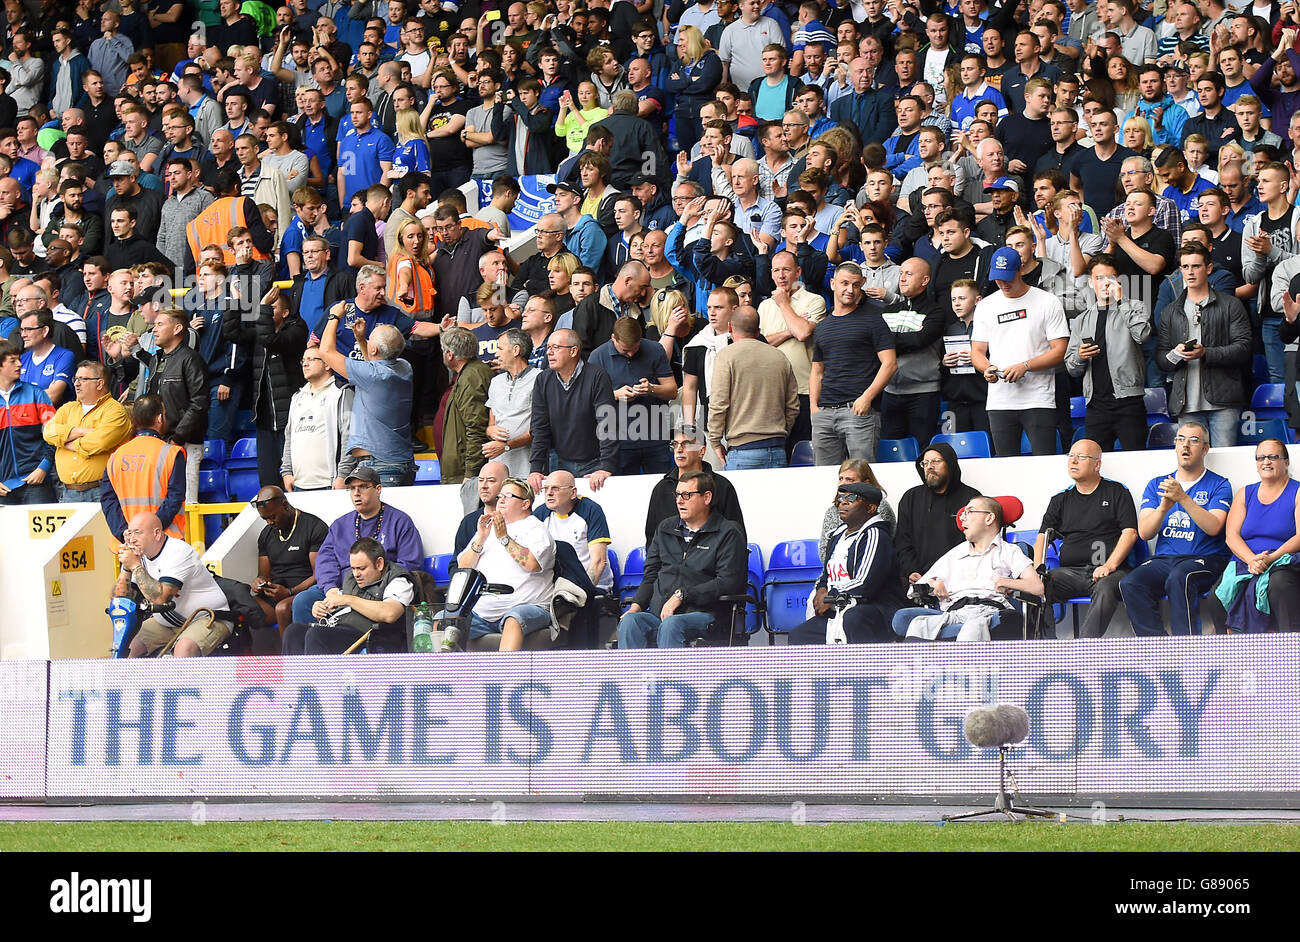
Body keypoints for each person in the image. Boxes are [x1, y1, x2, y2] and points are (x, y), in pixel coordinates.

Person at [1119, 421, 1232, 637]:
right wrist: (1163, 507)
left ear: (1205, 449)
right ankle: (1159, 649)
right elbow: (1144, 533)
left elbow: (1214, 527)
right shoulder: (1157, 484)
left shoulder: (1219, 484)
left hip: (1206, 557)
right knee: (1130, 583)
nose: (1185, 445)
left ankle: (1187, 650)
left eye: (1194, 440)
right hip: (1165, 559)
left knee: (1181, 577)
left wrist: (1183, 498)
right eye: (1180, 439)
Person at [617, 469, 747, 648]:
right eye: (677, 494)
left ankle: (669, 677)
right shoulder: (665, 528)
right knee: (631, 622)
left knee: (672, 625)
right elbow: (651, 575)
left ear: (707, 497)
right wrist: (636, 606)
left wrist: (682, 595)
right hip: (661, 614)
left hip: (706, 614)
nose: (679, 500)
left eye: (687, 495)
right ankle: (633, 677)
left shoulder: (727, 533)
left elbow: (728, 582)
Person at [891, 495, 1045, 641]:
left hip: (988, 611)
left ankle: (966, 668)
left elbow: (1037, 587)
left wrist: (1006, 582)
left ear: (989, 518)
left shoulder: (1009, 551)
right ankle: (914, 669)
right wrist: (932, 585)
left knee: (972, 628)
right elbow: (913, 591)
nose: (961, 517)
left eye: (969, 512)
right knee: (919, 625)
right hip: (954, 612)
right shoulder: (954, 554)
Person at [1033, 439, 1140, 639]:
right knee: (1036, 587)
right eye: (1071, 456)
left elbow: (1130, 533)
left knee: (1105, 587)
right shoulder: (1060, 499)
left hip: (1110, 572)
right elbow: (1042, 536)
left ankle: (1084, 649)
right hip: (1070, 573)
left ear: (1097, 464)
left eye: (1081, 457)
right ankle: (1046, 648)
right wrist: (1038, 570)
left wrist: (1109, 565)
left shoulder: (1117, 491)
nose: (1073, 461)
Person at [289, 466, 424, 625]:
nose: (356, 493)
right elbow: (325, 561)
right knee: (303, 601)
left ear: (378, 489)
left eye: (363, 487)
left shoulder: (399, 522)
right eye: (352, 488)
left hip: (378, 589)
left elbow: (409, 564)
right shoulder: (340, 525)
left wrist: (374, 585)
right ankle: (312, 646)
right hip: (340, 588)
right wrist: (330, 588)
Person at [971, 246, 1069, 457]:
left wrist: (1026, 366)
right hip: (999, 400)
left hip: (1038, 397)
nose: (1003, 283)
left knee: (1044, 461)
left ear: (1021, 269)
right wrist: (987, 368)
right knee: (1005, 466)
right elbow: (977, 351)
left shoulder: (1047, 301)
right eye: (998, 278)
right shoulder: (986, 306)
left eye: (1008, 277)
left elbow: (1060, 350)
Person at [103, 307, 207, 503]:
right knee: (160, 502)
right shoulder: (160, 358)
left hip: (183, 444)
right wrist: (119, 357)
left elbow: (199, 404)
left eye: (160, 324)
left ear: (177, 329)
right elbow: (129, 374)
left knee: (185, 504)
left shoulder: (191, 359)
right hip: (160, 442)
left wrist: (177, 438)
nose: (154, 330)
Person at [445, 476, 558, 651]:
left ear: (525, 504)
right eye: (500, 496)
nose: (501, 500)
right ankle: (444, 676)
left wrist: (504, 537)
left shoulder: (536, 529)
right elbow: (463, 568)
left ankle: (505, 676)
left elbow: (531, 564)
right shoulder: (488, 529)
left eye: (508, 496)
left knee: (513, 619)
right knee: (442, 620)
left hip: (525, 607)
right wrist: (481, 538)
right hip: (482, 612)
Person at [1155, 244, 1252, 448]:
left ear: (1208, 268)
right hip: (1185, 403)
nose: (1190, 272)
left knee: (1226, 463)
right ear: (1180, 270)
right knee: (1192, 465)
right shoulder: (1169, 312)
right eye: (1185, 267)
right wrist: (1175, 354)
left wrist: (1206, 353)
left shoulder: (1231, 305)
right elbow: (1161, 359)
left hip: (1224, 402)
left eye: (1196, 266)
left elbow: (1244, 349)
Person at [789, 481, 906, 644]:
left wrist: (831, 596)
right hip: (839, 607)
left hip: (875, 610)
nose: (843, 502)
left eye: (852, 498)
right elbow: (827, 573)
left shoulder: (875, 535)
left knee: (853, 619)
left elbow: (865, 584)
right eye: (842, 497)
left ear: (870, 508)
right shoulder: (836, 535)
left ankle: (869, 668)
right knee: (799, 635)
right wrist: (821, 589)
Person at [317, 295, 415, 487]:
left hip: (380, 465)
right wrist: (362, 340)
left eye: (371, 338)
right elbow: (375, 364)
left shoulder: (373, 375)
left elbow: (325, 352)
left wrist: (334, 317)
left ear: (374, 350)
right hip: (397, 462)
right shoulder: (404, 367)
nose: (368, 338)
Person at [808, 262, 897, 464]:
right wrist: (814, 408)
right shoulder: (823, 326)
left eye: (856, 285)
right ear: (832, 283)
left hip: (859, 412)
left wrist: (866, 398)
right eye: (845, 283)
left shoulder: (873, 319)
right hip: (824, 413)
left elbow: (890, 364)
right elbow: (817, 371)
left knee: (862, 478)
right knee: (824, 478)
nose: (850, 290)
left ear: (862, 285)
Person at [1210, 438, 1300, 632]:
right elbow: (1231, 536)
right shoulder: (1245, 493)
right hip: (1247, 560)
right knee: (1216, 596)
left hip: (1285, 560)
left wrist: (1270, 558)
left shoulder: (1298, 491)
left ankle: (1291, 650)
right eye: (1261, 457)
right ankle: (1230, 655)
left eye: (1273, 457)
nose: (1266, 461)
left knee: (1279, 585)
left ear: (1286, 462)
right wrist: (1252, 560)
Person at [114, 512, 232, 658]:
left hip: (208, 616)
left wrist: (136, 566)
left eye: (138, 533)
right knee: (125, 645)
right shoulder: (136, 556)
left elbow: (161, 598)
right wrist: (126, 568)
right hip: (167, 623)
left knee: (184, 648)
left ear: (157, 534)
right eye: (129, 533)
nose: (132, 539)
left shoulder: (178, 551)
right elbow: (120, 601)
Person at [1064, 254, 1152, 452]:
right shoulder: (1081, 320)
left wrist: (1121, 301)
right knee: (1096, 463)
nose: (1105, 284)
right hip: (1096, 405)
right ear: (1090, 282)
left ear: (1119, 280)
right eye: (1099, 278)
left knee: (1136, 459)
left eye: (1110, 278)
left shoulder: (1135, 306)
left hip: (1129, 401)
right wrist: (1080, 355)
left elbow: (1142, 335)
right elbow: (1071, 367)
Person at [283, 537, 418, 655]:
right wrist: (321, 608)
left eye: (361, 568)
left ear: (379, 564)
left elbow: (390, 613)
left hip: (372, 636)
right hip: (340, 629)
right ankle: (296, 683)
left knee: (317, 635)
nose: (356, 574)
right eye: (353, 568)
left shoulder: (398, 580)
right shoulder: (352, 579)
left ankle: (322, 684)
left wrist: (348, 599)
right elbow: (338, 604)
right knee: (293, 632)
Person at [707, 306, 798, 470]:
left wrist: (715, 440)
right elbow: (793, 406)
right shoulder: (780, 357)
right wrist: (780, 431)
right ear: (758, 332)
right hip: (777, 450)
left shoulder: (726, 356)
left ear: (729, 327)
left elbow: (718, 404)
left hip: (742, 451)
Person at [527, 329, 618, 492]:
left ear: (573, 351)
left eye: (555, 347)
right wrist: (535, 469)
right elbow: (539, 427)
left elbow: (608, 424)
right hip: (559, 461)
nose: (549, 352)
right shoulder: (543, 379)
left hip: (595, 463)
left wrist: (606, 466)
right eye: (548, 347)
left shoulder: (597, 376)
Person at [589, 316, 677, 475]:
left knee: (662, 488)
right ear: (613, 338)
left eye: (635, 348)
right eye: (624, 349)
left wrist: (651, 389)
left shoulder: (655, 349)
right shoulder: (598, 356)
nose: (630, 354)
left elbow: (672, 390)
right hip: (618, 441)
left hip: (655, 438)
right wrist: (615, 395)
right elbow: (588, 399)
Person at [42, 359, 132, 504]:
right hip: (68, 493)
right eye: (75, 379)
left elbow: (99, 442)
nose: (76, 383)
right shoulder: (67, 408)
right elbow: (48, 432)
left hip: (102, 492)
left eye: (83, 379)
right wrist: (80, 431)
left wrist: (65, 442)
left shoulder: (115, 410)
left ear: (100, 383)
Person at [252, 486, 329, 635]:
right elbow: (264, 574)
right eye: (265, 518)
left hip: (303, 591)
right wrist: (259, 582)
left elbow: (319, 574)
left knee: (282, 608)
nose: (270, 522)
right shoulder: (266, 534)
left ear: (285, 505)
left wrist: (289, 592)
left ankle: (289, 656)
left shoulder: (314, 527)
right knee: (243, 605)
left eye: (273, 516)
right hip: (275, 593)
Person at [282, 344, 353, 492]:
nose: (305, 364)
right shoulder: (297, 397)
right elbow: (289, 437)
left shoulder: (341, 393)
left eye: (311, 359)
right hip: (299, 484)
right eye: (303, 361)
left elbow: (350, 436)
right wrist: (287, 471)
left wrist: (343, 475)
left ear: (327, 364)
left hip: (330, 483)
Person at [533, 469, 614, 594]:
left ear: (573, 493)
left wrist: (583, 593)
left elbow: (598, 561)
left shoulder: (591, 510)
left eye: (555, 488)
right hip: (554, 589)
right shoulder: (540, 513)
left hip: (592, 587)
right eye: (546, 488)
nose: (549, 493)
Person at [0, 338, 56, 504]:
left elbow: (55, 435)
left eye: (19, 359)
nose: (19, 364)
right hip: (3, 487)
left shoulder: (36, 394)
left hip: (36, 482)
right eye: (13, 361)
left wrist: (43, 468)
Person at [437, 326, 492, 488]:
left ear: (450, 354)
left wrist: (470, 473)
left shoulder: (471, 377)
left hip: (463, 472)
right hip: (460, 468)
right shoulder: (471, 372)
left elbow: (475, 427)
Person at [483, 328, 536, 479]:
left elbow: (540, 427)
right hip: (497, 469)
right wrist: (490, 430)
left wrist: (507, 446)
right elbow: (491, 423)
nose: (496, 354)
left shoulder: (539, 379)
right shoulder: (495, 381)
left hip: (528, 468)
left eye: (500, 348)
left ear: (516, 350)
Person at [18, 310, 74, 407]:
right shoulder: (22, 359)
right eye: (22, 330)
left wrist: (21, 398)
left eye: (28, 329)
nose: (23, 335)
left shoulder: (64, 356)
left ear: (44, 331)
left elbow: (52, 398)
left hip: (54, 420)